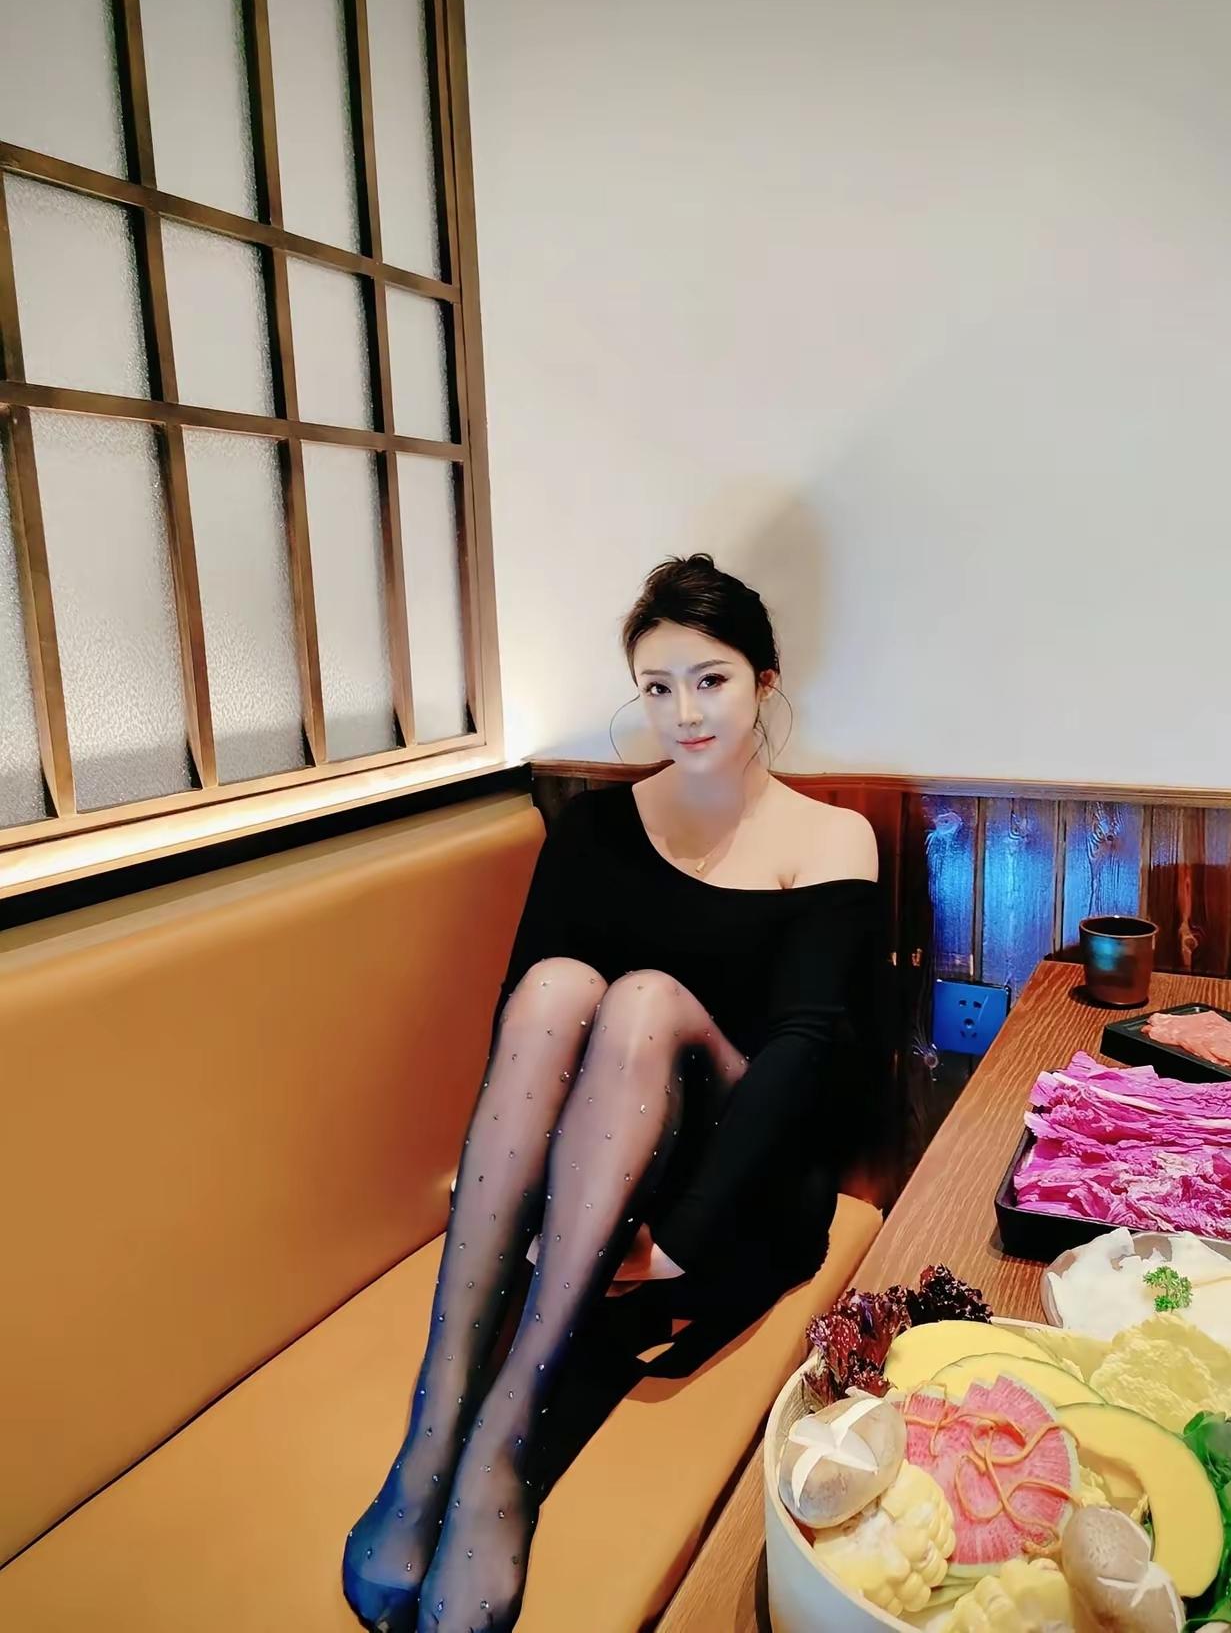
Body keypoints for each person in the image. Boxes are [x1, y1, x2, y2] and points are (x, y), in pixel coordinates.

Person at [343, 554, 883, 1633]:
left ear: (764, 681)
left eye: (711, 680)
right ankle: (434, 1425)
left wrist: (680, 1237)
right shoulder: (594, 828)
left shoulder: (831, 837)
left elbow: (803, 1053)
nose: (684, 712)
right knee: (554, 987)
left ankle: (504, 1442)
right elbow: (521, 1034)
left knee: (641, 1000)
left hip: (737, 1189)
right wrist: (518, 1204)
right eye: (657, 686)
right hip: (594, 1182)